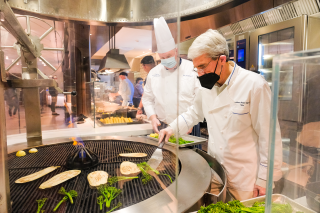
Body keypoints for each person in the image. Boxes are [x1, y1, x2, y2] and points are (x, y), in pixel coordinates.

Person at [158, 29, 283, 201]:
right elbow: (193, 113)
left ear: (222, 60)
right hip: (216, 172)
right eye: (196, 68)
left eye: (202, 66)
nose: (199, 73)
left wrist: (264, 180)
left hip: (246, 179)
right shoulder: (206, 86)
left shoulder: (254, 85)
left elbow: (269, 137)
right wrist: (171, 129)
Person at [142, 17, 200, 135]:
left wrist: (191, 122)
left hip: (189, 125)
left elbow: (199, 100)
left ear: (176, 51)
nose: (166, 60)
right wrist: (153, 118)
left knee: (191, 154)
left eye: (168, 56)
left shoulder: (193, 69)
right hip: (163, 125)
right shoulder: (153, 73)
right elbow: (147, 99)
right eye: (162, 58)